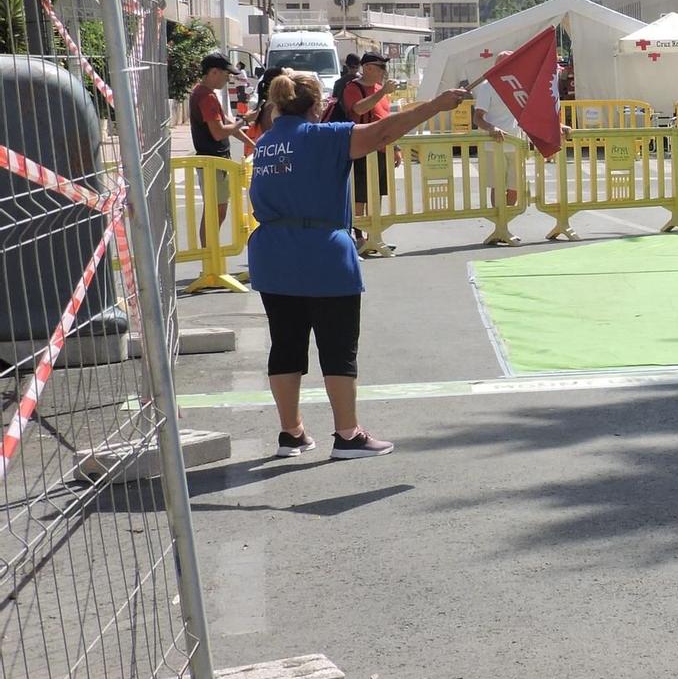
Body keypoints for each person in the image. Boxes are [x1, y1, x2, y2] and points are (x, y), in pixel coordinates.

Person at [248, 71, 472, 459]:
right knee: (337, 346)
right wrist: (435, 106)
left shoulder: (265, 143)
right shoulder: (327, 136)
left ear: (277, 104)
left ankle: (291, 433)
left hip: (272, 253)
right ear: (316, 105)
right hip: (323, 252)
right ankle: (347, 434)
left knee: (285, 344)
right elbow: (385, 132)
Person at [188, 52, 254, 247]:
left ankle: (210, 255)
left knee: (218, 209)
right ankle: (209, 257)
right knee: (216, 210)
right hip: (212, 161)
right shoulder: (205, 96)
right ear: (214, 72)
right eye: (226, 74)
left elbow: (227, 124)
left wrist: (252, 143)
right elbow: (219, 132)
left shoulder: (206, 94)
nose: (229, 78)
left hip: (216, 161)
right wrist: (245, 120)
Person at [342, 52, 395, 252]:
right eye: (380, 67)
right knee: (360, 195)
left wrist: (394, 147)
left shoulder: (380, 89)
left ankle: (374, 235)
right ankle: (359, 237)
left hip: (380, 149)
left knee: (377, 193)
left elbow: (386, 119)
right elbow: (359, 109)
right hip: (361, 148)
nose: (384, 72)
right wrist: (381, 93)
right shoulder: (353, 88)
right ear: (368, 68)